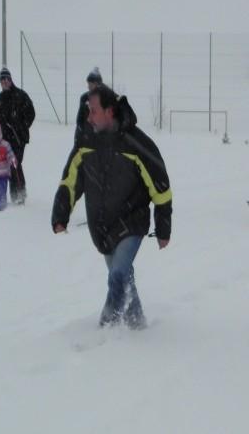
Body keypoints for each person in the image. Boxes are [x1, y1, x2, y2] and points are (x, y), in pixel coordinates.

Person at [51, 84, 172, 330]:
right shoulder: (86, 142)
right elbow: (70, 181)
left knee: (117, 273)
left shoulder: (135, 143)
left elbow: (160, 187)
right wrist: (61, 214)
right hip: (103, 226)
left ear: (109, 111)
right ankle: (137, 323)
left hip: (132, 222)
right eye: (88, 111)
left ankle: (107, 326)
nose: (89, 116)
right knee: (123, 277)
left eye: (93, 111)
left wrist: (163, 228)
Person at [0, 67, 35, 204]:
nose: (4, 81)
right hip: (5, 139)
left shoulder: (21, 96)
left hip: (19, 138)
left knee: (15, 163)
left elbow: (31, 113)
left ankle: (19, 195)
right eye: (2, 80)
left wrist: (22, 127)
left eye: (6, 79)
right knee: (10, 164)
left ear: (11, 79)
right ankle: (17, 194)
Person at [75, 66, 104, 146]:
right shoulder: (84, 98)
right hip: (87, 137)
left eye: (91, 84)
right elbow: (79, 120)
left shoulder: (105, 98)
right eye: (88, 84)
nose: (89, 86)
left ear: (98, 84)